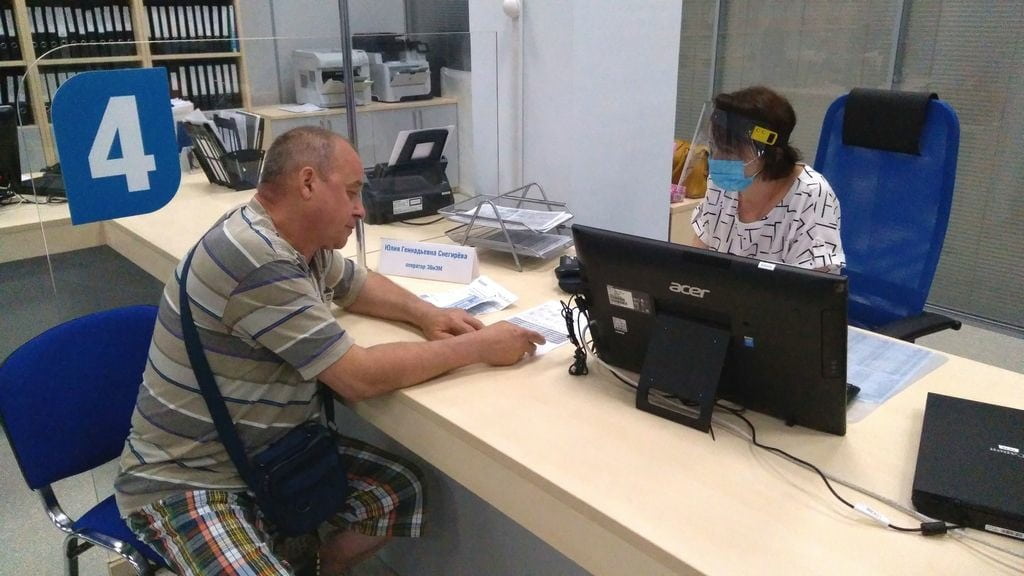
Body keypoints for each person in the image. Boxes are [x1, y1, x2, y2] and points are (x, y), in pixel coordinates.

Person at [114, 126, 546, 576]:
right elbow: (359, 377)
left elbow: (355, 285)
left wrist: (425, 314)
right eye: (352, 192)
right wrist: (479, 346)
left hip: (269, 456)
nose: (361, 209)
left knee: (397, 491)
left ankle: (323, 567)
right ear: (307, 183)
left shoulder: (294, 239)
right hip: (189, 478)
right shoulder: (257, 257)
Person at [688, 86, 845, 273]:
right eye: (715, 148)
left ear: (773, 154)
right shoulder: (720, 184)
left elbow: (812, 287)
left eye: (730, 153)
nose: (718, 160)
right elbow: (695, 262)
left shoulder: (811, 197)